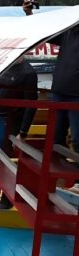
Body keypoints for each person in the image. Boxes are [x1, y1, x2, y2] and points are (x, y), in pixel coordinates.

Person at [24, 0, 79, 151]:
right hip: (58, 94)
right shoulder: (68, 32)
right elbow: (43, 32)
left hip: (76, 98)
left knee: (78, 140)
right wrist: (30, 14)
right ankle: (57, 173)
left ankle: (73, 173)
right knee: (55, 138)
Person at [0, 58, 38, 144]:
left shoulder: (29, 73)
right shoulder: (2, 65)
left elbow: (31, 104)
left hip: (12, 122)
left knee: (3, 151)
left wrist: (23, 132)